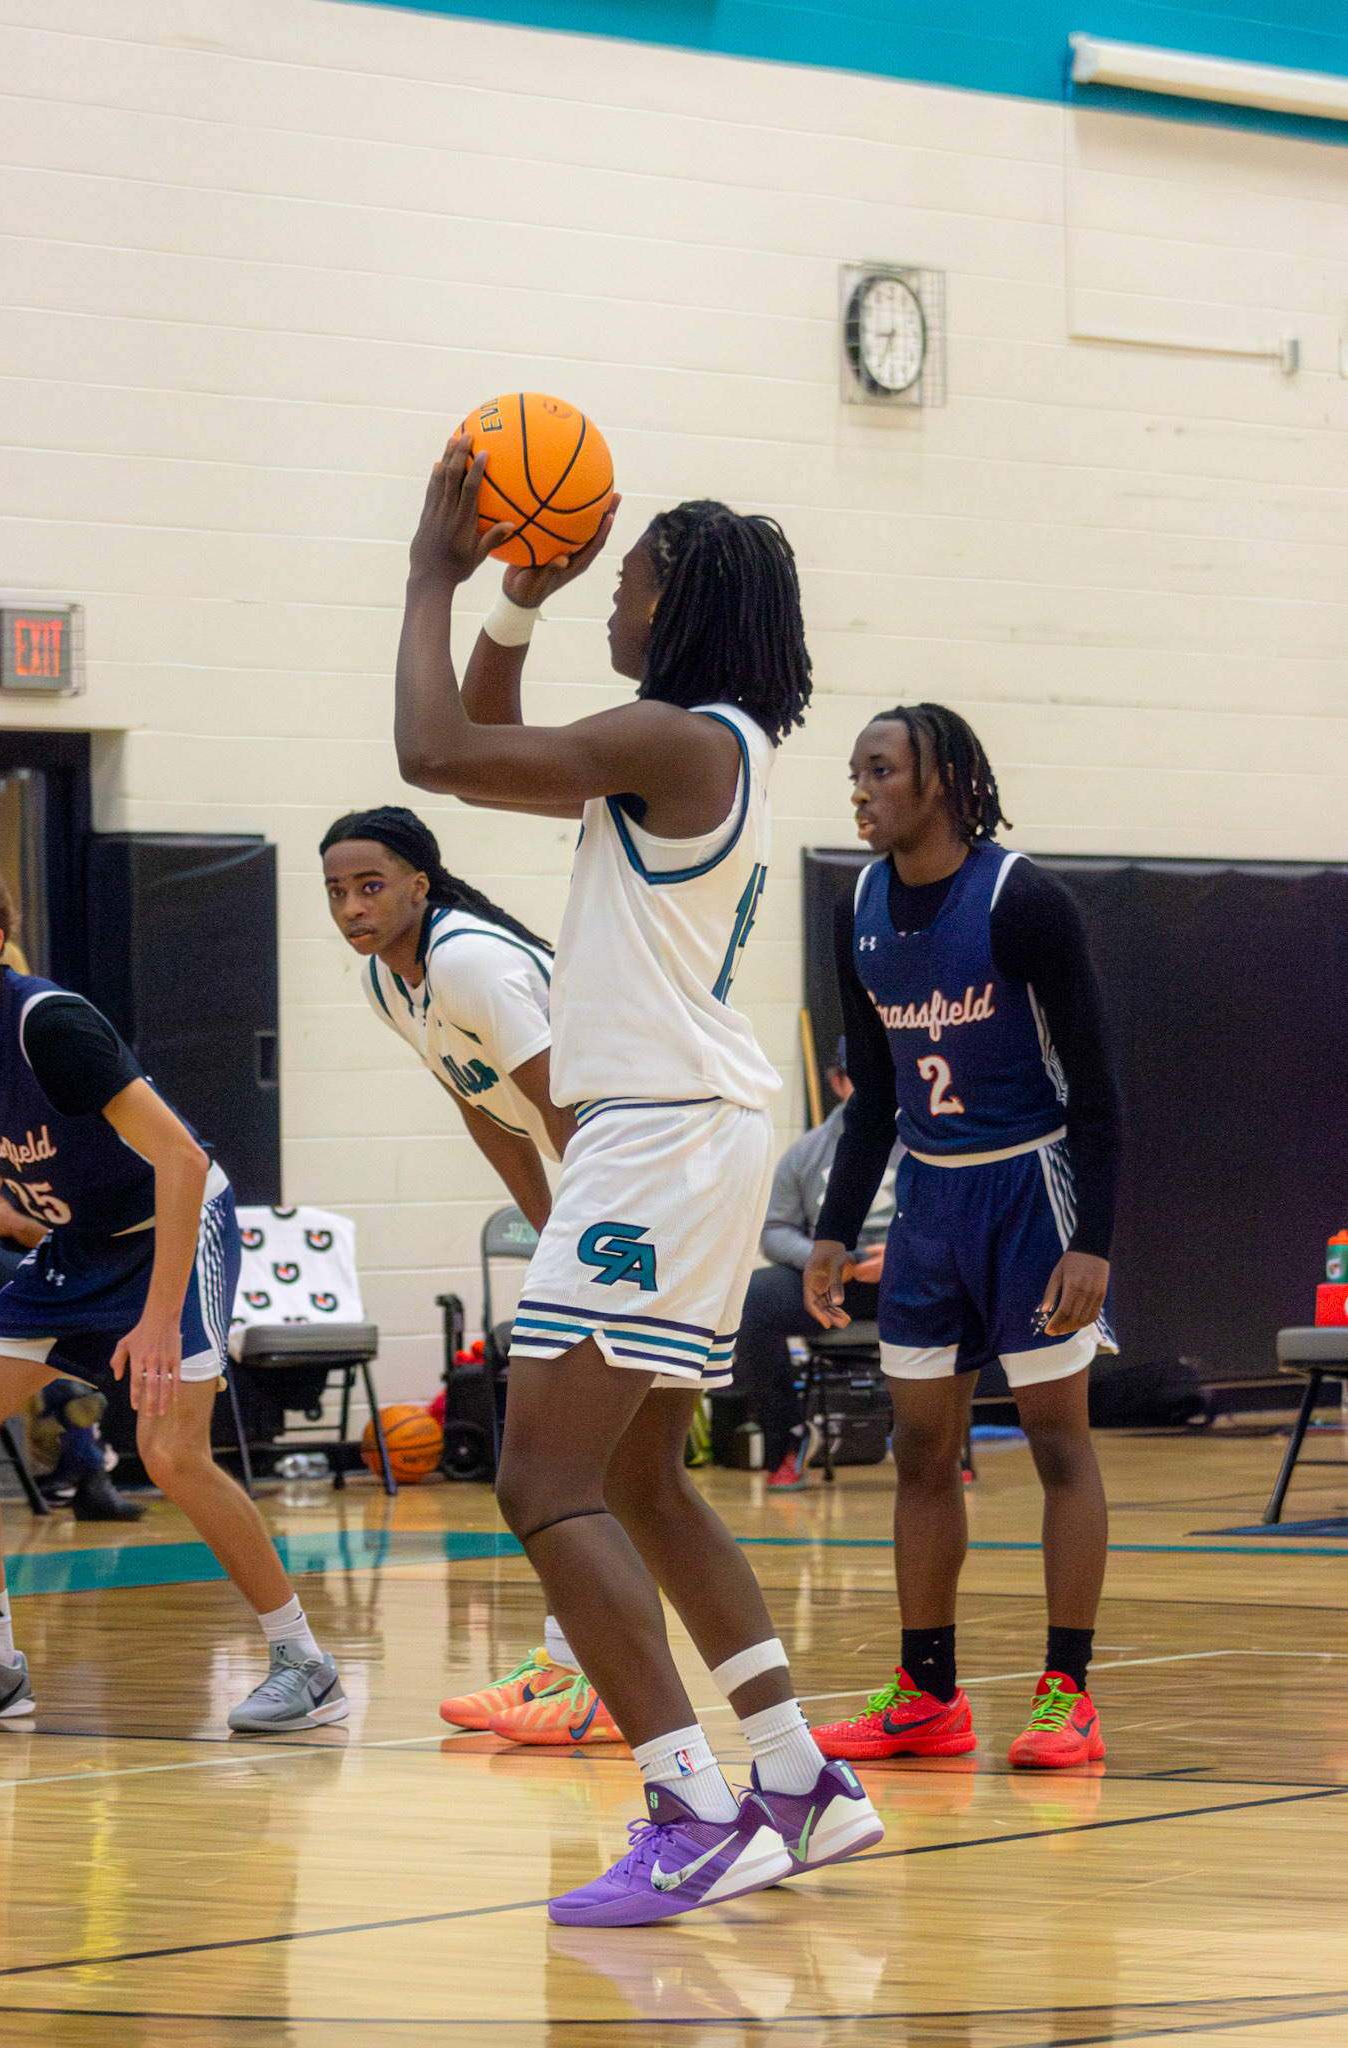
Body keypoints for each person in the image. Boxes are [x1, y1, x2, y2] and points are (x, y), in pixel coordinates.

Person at [392, 437, 882, 1927]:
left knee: (541, 1477)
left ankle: (690, 1805)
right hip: (693, 1128)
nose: (611, 598)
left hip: (659, 1133)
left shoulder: (679, 740)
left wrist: (431, 570)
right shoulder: (695, 746)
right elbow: (491, 742)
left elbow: (432, 756)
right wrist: (516, 603)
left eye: (628, 582)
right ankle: (797, 1778)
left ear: (678, 609)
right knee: (638, 1480)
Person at [803, 705, 1121, 1770]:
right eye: (855, 771)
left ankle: (1067, 1694)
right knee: (921, 1452)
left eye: (880, 769)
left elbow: (1099, 1090)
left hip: (1030, 1188)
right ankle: (928, 1696)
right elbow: (874, 1092)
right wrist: (834, 1230)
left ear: (938, 778)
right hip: (930, 1203)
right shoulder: (856, 905)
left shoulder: (1022, 899)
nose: (860, 788)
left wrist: (1093, 1242)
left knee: (1057, 1443)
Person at [0, 862, 346, 1731]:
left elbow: (180, 1159)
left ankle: (306, 1664)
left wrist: (156, 1318)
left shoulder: (50, 1026)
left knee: (170, 1453)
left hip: (173, 1224)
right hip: (81, 1246)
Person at [320, 802, 619, 1745]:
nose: (352, 907)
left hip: (643, 1172)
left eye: (371, 886)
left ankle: (597, 1676)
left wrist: (586, 1228)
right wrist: (550, 1223)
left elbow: (568, 1107)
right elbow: (480, 1107)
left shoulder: (468, 962)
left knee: (580, 1454)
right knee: (571, 1455)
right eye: (337, 891)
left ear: (419, 884)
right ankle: (573, 1662)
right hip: (607, 1190)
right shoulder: (388, 981)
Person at [733, 1041, 898, 1488]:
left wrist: (906, 1254)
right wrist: (822, 1261)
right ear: (837, 1082)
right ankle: (787, 1440)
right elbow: (774, 1229)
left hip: (906, 1279)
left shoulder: (925, 1143)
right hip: (829, 1285)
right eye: (859, 1076)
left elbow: (952, 1220)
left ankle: (939, 1438)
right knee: (751, 1299)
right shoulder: (806, 1152)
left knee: (957, 1287)